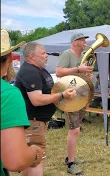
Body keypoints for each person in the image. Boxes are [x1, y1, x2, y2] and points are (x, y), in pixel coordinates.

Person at [14, 42, 76, 176]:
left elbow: (49, 90)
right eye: (43, 53)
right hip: (33, 122)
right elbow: (36, 100)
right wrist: (61, 95)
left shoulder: (40, 69)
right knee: (36, 158)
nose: (46, 55)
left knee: (31, 159)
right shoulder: (30, 71)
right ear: (32, 56)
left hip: (38, 122)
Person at [1, 29, 44, 175]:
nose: (46, 56)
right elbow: (16, 161)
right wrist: (35, 152)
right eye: (43, 53)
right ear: (9, 60)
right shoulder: (8, 94)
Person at [56, 33, 93, 175]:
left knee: (76, 128)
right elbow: (59, 72)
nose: (85, 42)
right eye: (83, 40)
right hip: (70, 96)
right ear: (75, 42)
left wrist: (87, 75)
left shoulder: (83, 55)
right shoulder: (67, 54)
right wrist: (78, 69)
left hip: (82, 95)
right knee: (74, 129)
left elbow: (82, 75)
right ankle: (70, 164)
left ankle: (70, 158)